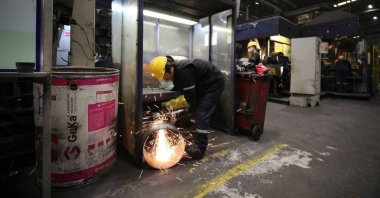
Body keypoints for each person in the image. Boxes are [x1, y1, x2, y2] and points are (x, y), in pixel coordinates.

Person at [149, 56, 225, 159]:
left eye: (164, 76)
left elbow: (189, 97)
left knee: (202, 112)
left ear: (170, 69)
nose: (165, 79)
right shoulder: (177, 73)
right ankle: (195, 131)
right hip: (203, 85)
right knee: (194, 108)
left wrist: (169, 105)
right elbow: (182, 91)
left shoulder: (185, 71)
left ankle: (199, 148)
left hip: (214, 84)